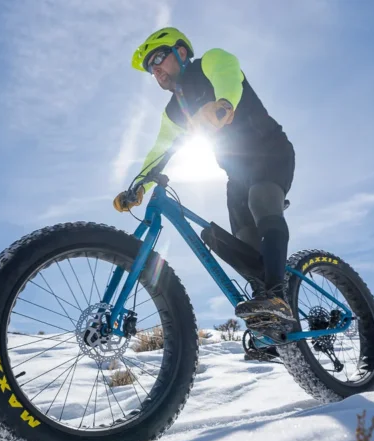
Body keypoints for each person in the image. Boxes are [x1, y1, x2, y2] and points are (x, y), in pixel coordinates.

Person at [114, 27, 297, 336]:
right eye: (149, 67)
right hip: (236, 174)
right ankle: (270, 327)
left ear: (181, 52)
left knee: (261, 199)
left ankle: (278, 297)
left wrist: (223, 103)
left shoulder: (210, 63)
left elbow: (229, 74)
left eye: (158, 57)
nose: (154, 68)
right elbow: (160, 149)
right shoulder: (174, 112)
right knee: (246, 245)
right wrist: (139, 187)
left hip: (271, 152)